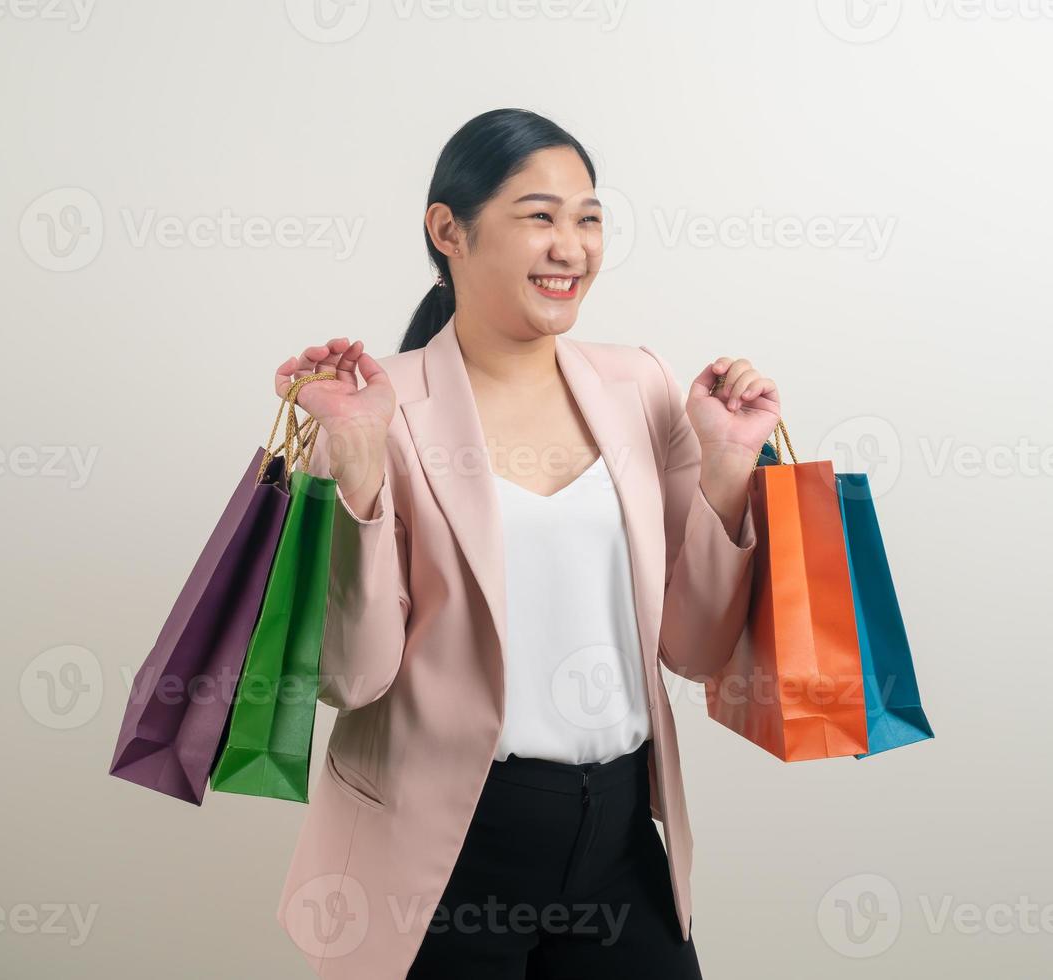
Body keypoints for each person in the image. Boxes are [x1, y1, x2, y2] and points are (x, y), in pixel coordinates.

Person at [272, 108, 781, 980]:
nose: (572, 247)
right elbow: (349, 677)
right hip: (441, 849)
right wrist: (353, 467)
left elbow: (692, 650)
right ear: (448, 231)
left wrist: (729, 470)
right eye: (540, 216)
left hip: (619, 833)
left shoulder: (643, 385)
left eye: (589, 219)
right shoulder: (373, 405)